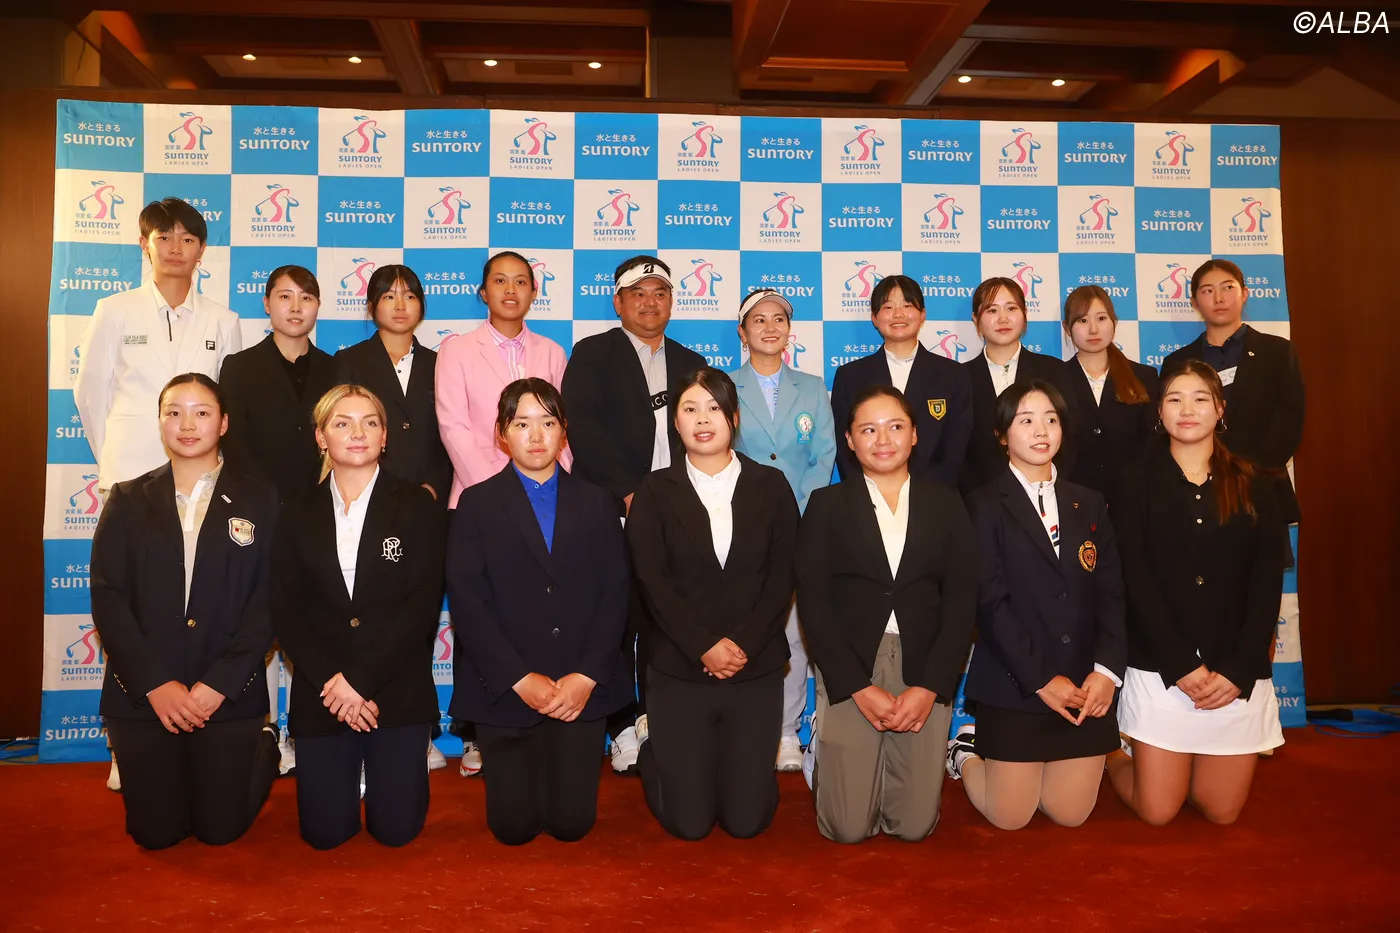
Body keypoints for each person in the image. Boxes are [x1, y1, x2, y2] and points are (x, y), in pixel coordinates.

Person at [73, 198, 242, 793]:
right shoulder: (114, 309)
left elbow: (226, 401)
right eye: (163, 237)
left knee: (200, 600)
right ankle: (129, 741)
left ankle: (199, 725)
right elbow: (91, 392)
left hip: (202, 480)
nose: (175, 247)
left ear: (201, 250)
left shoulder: (223, 319)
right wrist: (119, 464)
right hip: (132, 476)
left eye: (187, 238)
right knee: (134, 603)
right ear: (144, 245)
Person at [89, 373, 279, 849]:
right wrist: (154, 684)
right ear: (159, 422)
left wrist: (220, 683)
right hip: (146, 695)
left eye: (202, 412)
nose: (187, 424)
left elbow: (270, 599)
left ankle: (266, 747)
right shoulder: (127, 498)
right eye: (174, 412)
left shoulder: (261, 499)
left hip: (226, 694)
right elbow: (108, 597)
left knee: (219, 832)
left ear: (224, 423)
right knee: (156, 834)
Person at [446, 379, 631, 845]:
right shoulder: (476, 503)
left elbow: (616, 593)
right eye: (521, 424)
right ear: (501, 434)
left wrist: (586, 676)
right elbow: (468, 601)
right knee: (513, 829)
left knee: (572, 826)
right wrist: (517, 677)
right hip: (506, 687)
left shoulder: (597, 501)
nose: (535, 436)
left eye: (547, 423)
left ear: (564, 432)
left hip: (578, 689)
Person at [1106, 360, 1286, 826]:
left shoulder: (1255, 480)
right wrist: (1179, 663)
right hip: (1162, 665)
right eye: (1174, 399)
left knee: (1220, 810)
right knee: (1158, 811)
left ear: (1220, 409)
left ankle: (1177, 765)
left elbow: (1266, 582)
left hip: (1232, 670)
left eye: (1200, 399)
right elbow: (1135, 579)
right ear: (1159, 412)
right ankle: (1111, 754)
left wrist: (1239, 667)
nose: (1187, 410)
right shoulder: (1133, 481)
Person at [797, 385, 977, 843]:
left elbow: (962, 600)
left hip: (924, 663)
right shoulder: (826, 505)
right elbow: (814, 603)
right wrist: (856, 686)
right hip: (853, 662)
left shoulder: (946, 503)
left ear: (914, 435)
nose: (883, 439)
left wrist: (931, 686)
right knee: (847, 829)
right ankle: (826, 747)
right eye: (868, 429)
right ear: (849, 440)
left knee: (913, 827)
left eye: (895, 427)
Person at [271, 384, 446, 850]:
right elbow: (286, 609)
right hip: (324, 691)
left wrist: (362, 682)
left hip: (396, 690)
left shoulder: (417, 506)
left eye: (370, 423)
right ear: (321, 437)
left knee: (396, 833)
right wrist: (336, 684)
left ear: (384, 437)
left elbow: (421, 606)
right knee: (324, 835)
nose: (357, 433)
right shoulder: (294, 512)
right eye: (342, 423)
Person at [947, 380, 1126, 830]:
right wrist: (1042, 679)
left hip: (1082, 683)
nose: (1041, 430)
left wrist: (1106, 672)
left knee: (1070, 813)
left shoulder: (1090, 502)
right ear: (1002, 435)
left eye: (1051, 419)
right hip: (1016, 681)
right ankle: (965, 753)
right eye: (1025, 420)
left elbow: (1110, 594)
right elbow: (990, 604)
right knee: (1010, 816)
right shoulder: (982, 505)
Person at [627, 368, 799, 840]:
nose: (703, 419)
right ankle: (655, 753)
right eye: (690, 409)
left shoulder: (771, 485)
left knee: (747, 823)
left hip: (754, 666)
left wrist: (742, 644)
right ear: (675, 422)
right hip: (679, 669)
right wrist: (702, 645)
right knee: (690, 825)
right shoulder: (654, 491)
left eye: (714, 408)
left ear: (734, 418)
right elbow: (651, 582)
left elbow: (783, 576)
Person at [560, 255, 706, 775]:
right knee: (615, 620)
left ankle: (660, 718)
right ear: (618, 302)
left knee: (668, 618)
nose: (650, 302)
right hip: (611, 508)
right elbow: (583, 428)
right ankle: (621, 725)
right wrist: (627, 493)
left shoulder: (690, 361)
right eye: (638, 293)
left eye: (660, 292)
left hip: (678, 511)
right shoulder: (593, 353)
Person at [436, 251, 572, 778]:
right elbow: (453, 426)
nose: (511, 290)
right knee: (480, 615)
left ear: (534, 292)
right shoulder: (456, 349)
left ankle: (545, 710)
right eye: (500, 281)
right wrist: (498, 492)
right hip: (477, 500)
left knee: (542, 610)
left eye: (521, 282)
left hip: (547, 502)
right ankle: (475, 730)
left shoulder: (551, 351)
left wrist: (553, 488)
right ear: (483, 292)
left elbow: (560, 432)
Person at [219, 264, 338, 776]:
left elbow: (340, 442)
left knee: (316, 629)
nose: (295, 307)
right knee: (257, 629)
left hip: (320, 517)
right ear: (266, 304)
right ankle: (261, 734)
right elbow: (235, 445)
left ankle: (312, 731)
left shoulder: (335, 368)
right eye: (284, 297)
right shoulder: (240, 367)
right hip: (258, 518)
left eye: (306, 297)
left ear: (317, 307)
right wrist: (267, 506)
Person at [727, 288, 836, 772]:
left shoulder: (811, 387)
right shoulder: (724, 386)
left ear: (789, 331)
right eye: (759, 320)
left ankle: (788, 730)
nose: (770, 327)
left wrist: (797, 511)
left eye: (779, 320)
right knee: (742, 627)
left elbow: (824, 454)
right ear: (742, 331)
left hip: (801, 524)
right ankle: (744, 725)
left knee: (792, 633)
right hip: (740, 524)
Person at [1162, 259, 1304, 542]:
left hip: (1259, 486)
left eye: (1227, 288)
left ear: (1245, 293)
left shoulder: (1277, 352)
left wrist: (1247, 472)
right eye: (1207, 291)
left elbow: (1290, 419)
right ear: (1194, 301)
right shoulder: (1178, 362)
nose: (1218, 298)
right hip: (1194, 490)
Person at [830, 274, 971, 487]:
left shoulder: (953, 374)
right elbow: (843, 445)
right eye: (888, 307)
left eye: (907, 305)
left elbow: (957, 446)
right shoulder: (850, 375)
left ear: (922, 314)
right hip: (868, 496)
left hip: (935, 495)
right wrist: (866, 493)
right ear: (874, 317)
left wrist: (930, 495)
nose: (898, 314)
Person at [334, 264, 453, 505]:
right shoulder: (349, 362)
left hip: (429, 500)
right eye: (389, 297)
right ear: (371, 306)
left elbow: (452, 432)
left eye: (409, 296)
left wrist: (433, 486)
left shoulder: (441, 364)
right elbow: (338, 431)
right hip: (366, 498)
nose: (400, 306)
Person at [961, 277, 1075, 495]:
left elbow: (1071, 437)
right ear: (976, 319)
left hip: (1046, 493)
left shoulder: (1055, 371)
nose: (1003, 318)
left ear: (1024, 314)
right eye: (992, 310)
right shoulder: (960, 377)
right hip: (979, 497)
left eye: (1011, 308)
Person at [1059, 285, 1160, 509]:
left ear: (1114, 322)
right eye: (1082, 320)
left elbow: (1151, 445)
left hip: (1132, 503)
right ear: (1067, 328)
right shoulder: (1055, 379)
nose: (1093, 329)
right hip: (1072, 504)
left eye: (1101, 318)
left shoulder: (1144, 377)